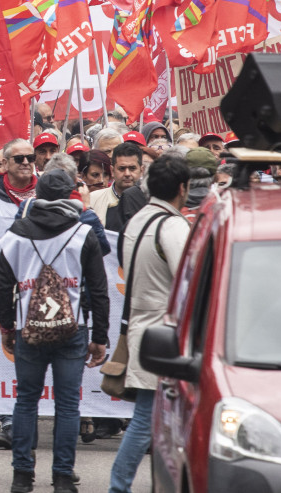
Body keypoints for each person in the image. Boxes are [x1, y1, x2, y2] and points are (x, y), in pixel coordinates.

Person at [0, 170, 109, 493]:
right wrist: (99, 337)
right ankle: (61, 477)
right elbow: (98, 291)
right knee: (69, 404)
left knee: (26, 401)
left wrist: (7, 326)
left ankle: (21, 476)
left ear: (39, 194)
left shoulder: (17, 232)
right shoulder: (83, 233)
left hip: (28, 329)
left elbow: (2, 284)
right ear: (72, 195)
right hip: (73, 330)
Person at [106, 156, 190, 493]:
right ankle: (118, 487)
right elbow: (189, 279)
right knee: (145, 420)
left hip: (144, 328)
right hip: (163, 334)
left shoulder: (139, 219)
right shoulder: (171, 225)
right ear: (182, 189)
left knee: (153, 422)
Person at [89, 141, 147, 234]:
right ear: (112, 170)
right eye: (122, 168)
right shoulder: (93, 199)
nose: (127, 174)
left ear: (141, 170)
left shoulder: (150, 200)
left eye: (132, 168)